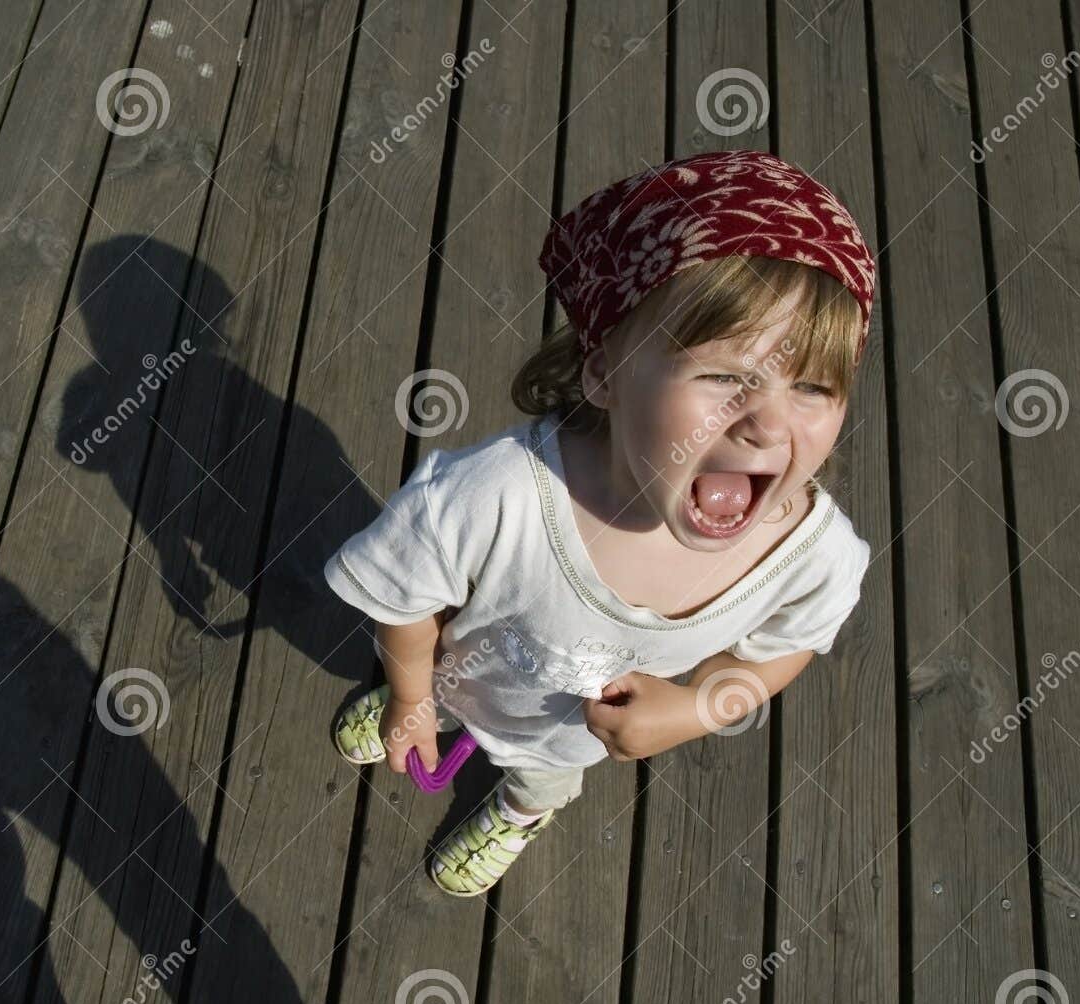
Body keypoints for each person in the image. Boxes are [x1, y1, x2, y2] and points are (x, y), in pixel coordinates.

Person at [323, 150, 876, 897]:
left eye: (812, 385)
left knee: (541, 782)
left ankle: (520, 815)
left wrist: (695, 708)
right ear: (604, 371)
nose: (769, 426)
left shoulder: (813, 556)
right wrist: (413, 698)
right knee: (438, 690)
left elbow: (788, 643)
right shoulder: (496, 494)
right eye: (724, 376)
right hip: (460, 673)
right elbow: (408, 606)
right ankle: (429, 711)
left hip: (565, 741)